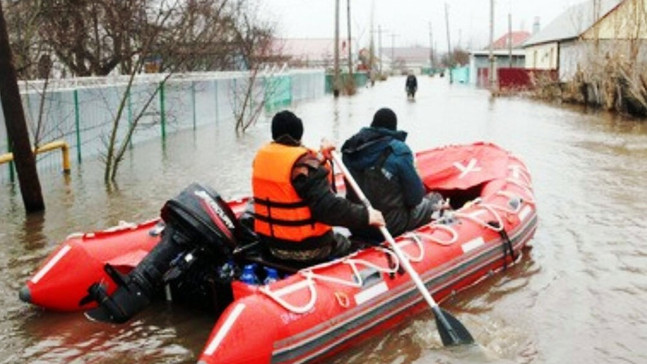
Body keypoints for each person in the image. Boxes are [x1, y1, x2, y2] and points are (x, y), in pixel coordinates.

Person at [252, 110, 385, 264]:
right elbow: (329, 209)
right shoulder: (303, 165)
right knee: (346, 242)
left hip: (272, 246)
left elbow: (299, 175)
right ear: (299, 135)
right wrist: (366, 216)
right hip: (306, 249)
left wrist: (321, 157)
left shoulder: (261, 159)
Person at [341, 108, 444, 240]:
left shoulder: (350, 150)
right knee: (432, 201)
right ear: (394, 128)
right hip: (389, 225)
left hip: (357, 224)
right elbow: (415, 198)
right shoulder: (399, 151)